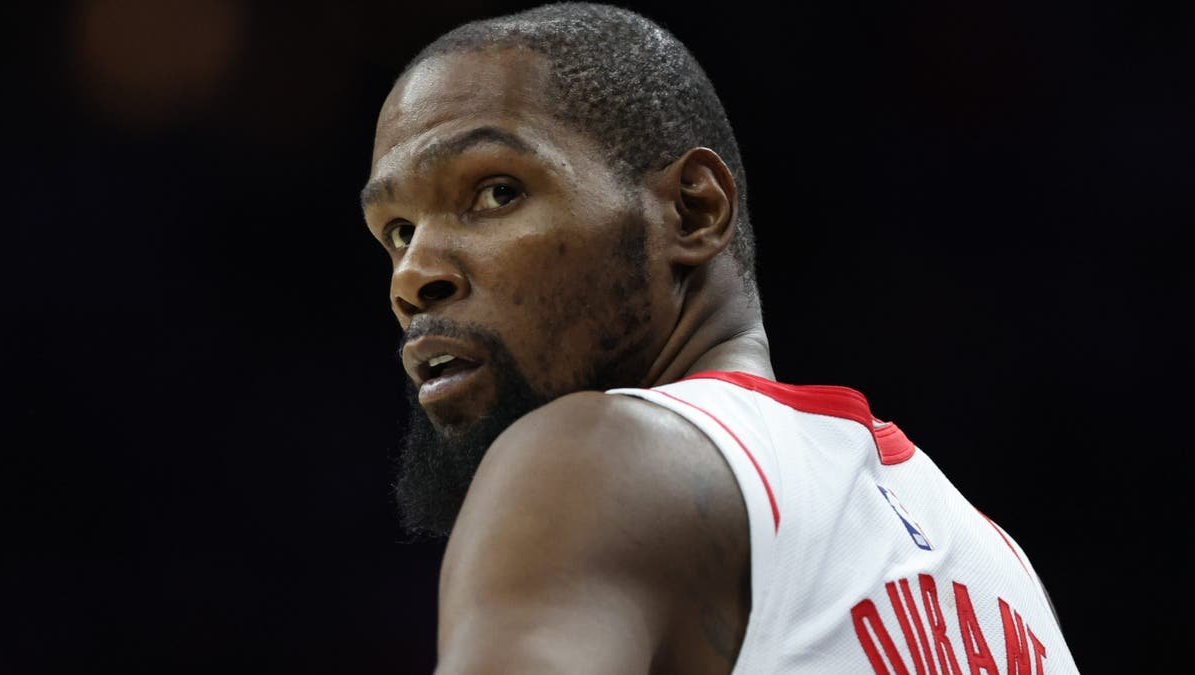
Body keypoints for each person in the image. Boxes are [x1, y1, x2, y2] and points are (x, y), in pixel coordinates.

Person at [359, 3, 1078, 673]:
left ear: (694, 210)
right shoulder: (1000, 572)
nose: (413, 275)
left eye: (496, 192)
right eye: (397, 232)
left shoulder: (593, 458)